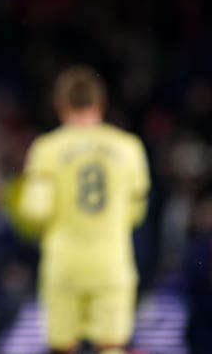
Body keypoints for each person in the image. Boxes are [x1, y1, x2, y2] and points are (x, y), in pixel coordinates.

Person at [17, 65, 151, 354]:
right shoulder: (129, 147)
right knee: (112, 345)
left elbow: (35, 210)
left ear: (60, 104)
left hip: (64, 263)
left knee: (63, 346)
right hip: (112, 262)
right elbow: (137, 213)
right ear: (101, 103)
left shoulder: (47, 148)